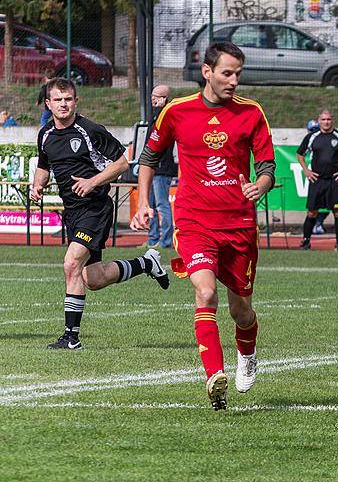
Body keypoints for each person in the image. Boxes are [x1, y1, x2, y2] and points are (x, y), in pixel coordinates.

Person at [130, 41, 276, 410]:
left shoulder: (251, 113)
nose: (234, 81)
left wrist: (259, 185)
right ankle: (214, 376)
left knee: (240, 311)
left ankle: (247, 353)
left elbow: (267, 166)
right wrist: (144, 200)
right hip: (195, 221)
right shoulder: (177, 112)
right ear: (207, 72)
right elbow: (149, 156)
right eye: (227, 73)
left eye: (238, 74)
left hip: (239, 224)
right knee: (205, 293)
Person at [32, 77, 170, 351]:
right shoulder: (45, 134)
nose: (63, 104)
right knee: (93, 278)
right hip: (72, 211)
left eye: (68, 99)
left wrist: (92, 181)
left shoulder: (90, 130)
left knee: (71, 264)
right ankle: (146, 264)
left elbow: (121, 163)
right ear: (48, 103)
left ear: (76, 101)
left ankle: (71, 338)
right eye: (58, 100)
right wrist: (38, 184)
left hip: (95, 208)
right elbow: (44, 166)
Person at [297, 109, 338, 250]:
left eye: (328, 119)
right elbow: (300, 154)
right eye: (323, 120)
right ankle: (305, 242)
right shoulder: (312, 137)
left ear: (332, 120)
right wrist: (306, 170)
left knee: (337, 212)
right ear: (319, 120)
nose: (326, 122)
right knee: (312, 212)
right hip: (317, 180)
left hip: (334, 180)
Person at [145, 85, 176, 249]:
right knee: (150, 205)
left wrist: (161, 108)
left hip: (162, 169)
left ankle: (166, 241)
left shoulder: (166, 116)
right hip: (152, 168)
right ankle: (153, 239)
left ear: (164, 98)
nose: (153, 99)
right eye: (152, 96)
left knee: (162, 204)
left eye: (157, 96)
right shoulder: (154, 117)